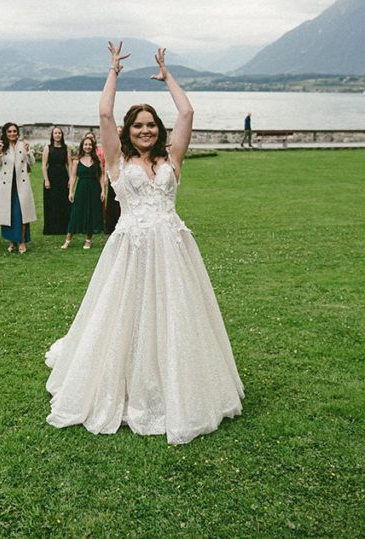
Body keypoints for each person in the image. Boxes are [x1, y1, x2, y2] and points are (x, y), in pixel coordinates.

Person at [45, 42, 243, 445]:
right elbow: (104, 112)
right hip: (131, 251)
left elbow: (187, 112)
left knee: (174, 316)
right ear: (128, 132)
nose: (146, 130)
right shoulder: (117, 161)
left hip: (172, 251)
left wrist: (167, 76)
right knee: (125, 317)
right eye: (138, 125)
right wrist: (113, 71)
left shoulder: (172, 160)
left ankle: (178, 383)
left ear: (160, 129)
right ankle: (121, 383)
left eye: (151, 124)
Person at [0, 122, 36, 253]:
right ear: (6, 133)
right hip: (7, 186)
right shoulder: (2, 146)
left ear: (17, 133)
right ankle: (12, 241)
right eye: (9, 132)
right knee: (9, 214)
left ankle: (22, 241)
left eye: (14, 131)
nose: (12, 134)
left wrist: (29, 151)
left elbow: (32, 162)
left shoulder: (23, 145)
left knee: (21, 213)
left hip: (21, 185)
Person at [61, 136, 106, 250]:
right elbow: (73, 177)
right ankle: (68, 240)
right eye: (85, 144)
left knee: (91, 213)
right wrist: (71, 191)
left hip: (94, 189)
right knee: (75, 213)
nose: (88, 147)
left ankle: (88, 240)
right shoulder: (76, 160)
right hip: (81, 189)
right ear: (82, 146)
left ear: (93, 146)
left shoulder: (97, 160)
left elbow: (101, 176)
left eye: (90, 145)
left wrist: (102, 191)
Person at [42, 126, 71, 235]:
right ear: (52, 135)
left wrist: (70, 180)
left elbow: (69, 164)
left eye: (59, 133)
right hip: (51, 176)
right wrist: (46, 180)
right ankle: (51, 228)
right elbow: (44, 165)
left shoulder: (66, 148)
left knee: (63, 202)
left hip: (63, 177)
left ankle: (63, 228)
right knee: (51, 202)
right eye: (55, 133)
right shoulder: (47, 148)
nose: (57, 135)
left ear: (62, 135)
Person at [103, 125, 122, 235]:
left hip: (123, 175)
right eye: (117, 131)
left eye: (120, 131)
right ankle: (110, 225)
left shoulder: (126, 145)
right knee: (112, 201)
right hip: (113, 176)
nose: (118, 133)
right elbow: (107, 162)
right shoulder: (110, 146)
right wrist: (106, 176)